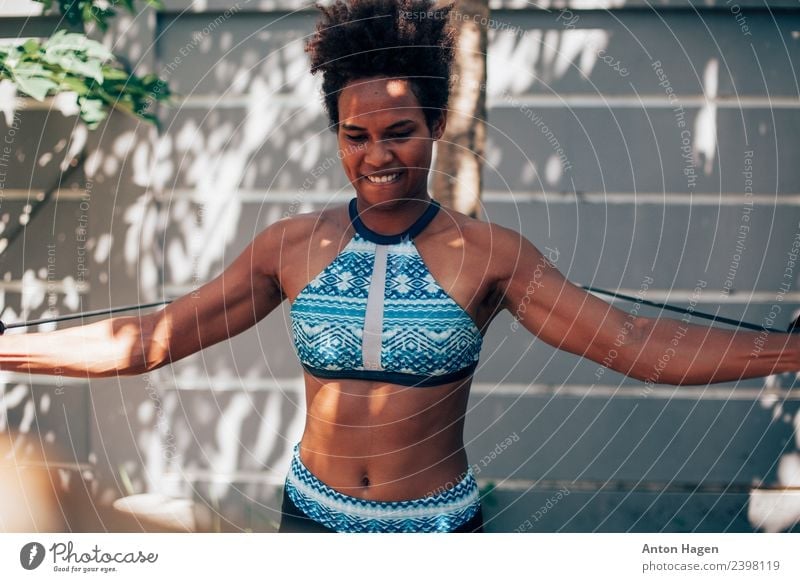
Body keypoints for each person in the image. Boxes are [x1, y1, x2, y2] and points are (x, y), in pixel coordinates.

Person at [2, 0, 798, 533]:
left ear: (436, 123)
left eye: (399, 132)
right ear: (337, 133)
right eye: (356, 135)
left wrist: (788, 353)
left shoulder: (490, 255)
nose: (377, 156)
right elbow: (147, 341)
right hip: (311, 518)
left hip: (437, 531)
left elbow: (631, 342)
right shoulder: (289, 246)